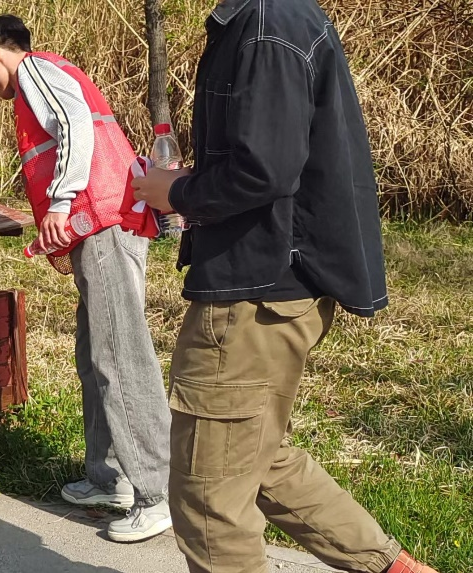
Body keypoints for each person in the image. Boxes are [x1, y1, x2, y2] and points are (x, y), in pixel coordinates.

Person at [131, 0, 438, 571]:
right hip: (272, 283)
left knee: (209, 503)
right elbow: (272, 159)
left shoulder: (265, 27)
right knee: (255, 455)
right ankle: (396, 568)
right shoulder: (273, 20)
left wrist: (176, 193)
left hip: (254, 292)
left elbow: (263, 169)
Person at [0, 15, 173, 543]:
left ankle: (158, 492)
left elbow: (74, 123)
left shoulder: (34, 70)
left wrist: (60, 200)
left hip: (101, 222)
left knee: (119, 354)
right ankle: (109, 477)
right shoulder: (45, 75)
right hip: (103, 225)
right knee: (94, 350)